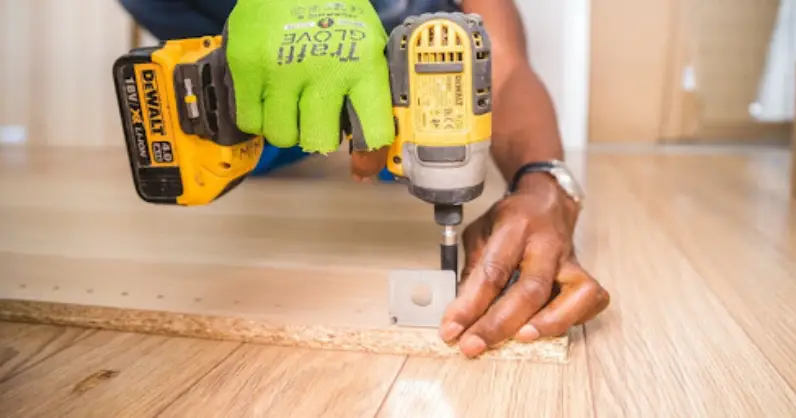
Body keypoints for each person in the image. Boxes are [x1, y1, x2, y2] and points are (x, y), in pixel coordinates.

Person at [118, 0, 610, 358]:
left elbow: (498, 60)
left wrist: (544, 181)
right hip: (247, 85)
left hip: (404, 94)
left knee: (407, 155)